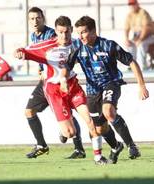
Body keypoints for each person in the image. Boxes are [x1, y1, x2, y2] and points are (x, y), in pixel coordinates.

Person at [14, 15, 108, 165]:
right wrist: (19, 52)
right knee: (70, 133)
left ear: (71, 30)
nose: (64, 36)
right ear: (56, 32)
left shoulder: (77, 44)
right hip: (54, 91)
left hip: (73, 87)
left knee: (90, 121)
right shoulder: (46, 46)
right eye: (60, 32)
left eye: (67, 32)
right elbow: (24, 51)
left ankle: (98, 157)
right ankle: (64, 128)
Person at [72, 16, 149, 159]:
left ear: (94, 31)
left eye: (83, 32)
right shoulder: (77, 47)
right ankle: (116, 146)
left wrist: (142, 86)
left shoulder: (109, 45)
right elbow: (65, 64)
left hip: (111, 83)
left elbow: (131, 61)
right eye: (78, 33)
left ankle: (131, 146)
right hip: (92, 90)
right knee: (100, 129)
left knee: (108, 112)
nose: (80, 36)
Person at [24, 7, 86, 159]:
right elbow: (41, 56)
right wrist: (41, 69)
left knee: (68, 114)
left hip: (57, 82)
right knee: (29, 111)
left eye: (38, 18)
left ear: (43, 18)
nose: (35, 21)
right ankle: (41, 145)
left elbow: (61, 55)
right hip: (46, 82)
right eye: (32, 18)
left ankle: (79, 148)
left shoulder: (53, 34)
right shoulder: (33, 36)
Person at [124, 0, 154, 70]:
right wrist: (126, 39)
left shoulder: (143, 13)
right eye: (130, 4)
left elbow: (146, 28)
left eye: (133, 4)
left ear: (137, 4)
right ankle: (131, 65)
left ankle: (143, 67)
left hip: (151, 35)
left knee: (141, 45)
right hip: (138, 36)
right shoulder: (129, 15)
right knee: (130, 45)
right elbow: (126, 28)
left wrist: (140, 40)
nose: (132, 6)